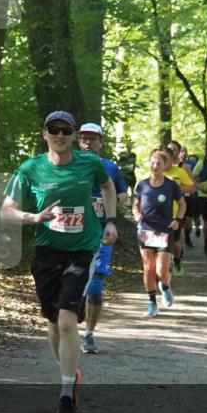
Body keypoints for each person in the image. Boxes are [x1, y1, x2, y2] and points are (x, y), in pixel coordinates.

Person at [1, 111, 118, 413]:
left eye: (66, 130)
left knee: (67, 320)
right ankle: (69, 372)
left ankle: (66, 393)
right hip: (47, 252)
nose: (60, 135)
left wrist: (110, 221)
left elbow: (108, 187)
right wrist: (34, 218)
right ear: (45, 134)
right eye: (54, 130)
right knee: (53, 322)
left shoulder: (89, 163)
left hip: (82, 250)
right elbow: (6, 211)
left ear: (74, 135)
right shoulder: (30, 168)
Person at [77, 122, 129, 355]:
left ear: (101, 142)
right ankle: (76, 307)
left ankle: (89, 334)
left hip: (101, 233)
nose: (88, 142)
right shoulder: (70, 164)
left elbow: (123, 194)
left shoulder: (110, 167)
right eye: (84, 138)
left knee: (96, 283)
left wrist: (112, 200)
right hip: (75, 233)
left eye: (93, 138)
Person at [132, 149, 186, 317]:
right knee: (148, 268)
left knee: (161, 270)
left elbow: (182, 204)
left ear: (164, 166)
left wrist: (177, 220)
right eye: (153, 163)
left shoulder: (171, 185)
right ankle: (152, 303)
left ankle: (165, 286)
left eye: (159, 163)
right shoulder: (142, 185)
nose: (155, 166)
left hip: (164, 230)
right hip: (145, 229)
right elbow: (135, 204)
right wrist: (136, 213)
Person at [163, 142, 196, 277]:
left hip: (175, 211)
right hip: (158, 213)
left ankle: (176, 260)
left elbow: (192, 187)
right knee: (161, 241)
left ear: (173, 158)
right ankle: (164, 266)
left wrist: (178, 189)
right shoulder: (156, 171)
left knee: (176, 242)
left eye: (167, 158)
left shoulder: (180, 171)